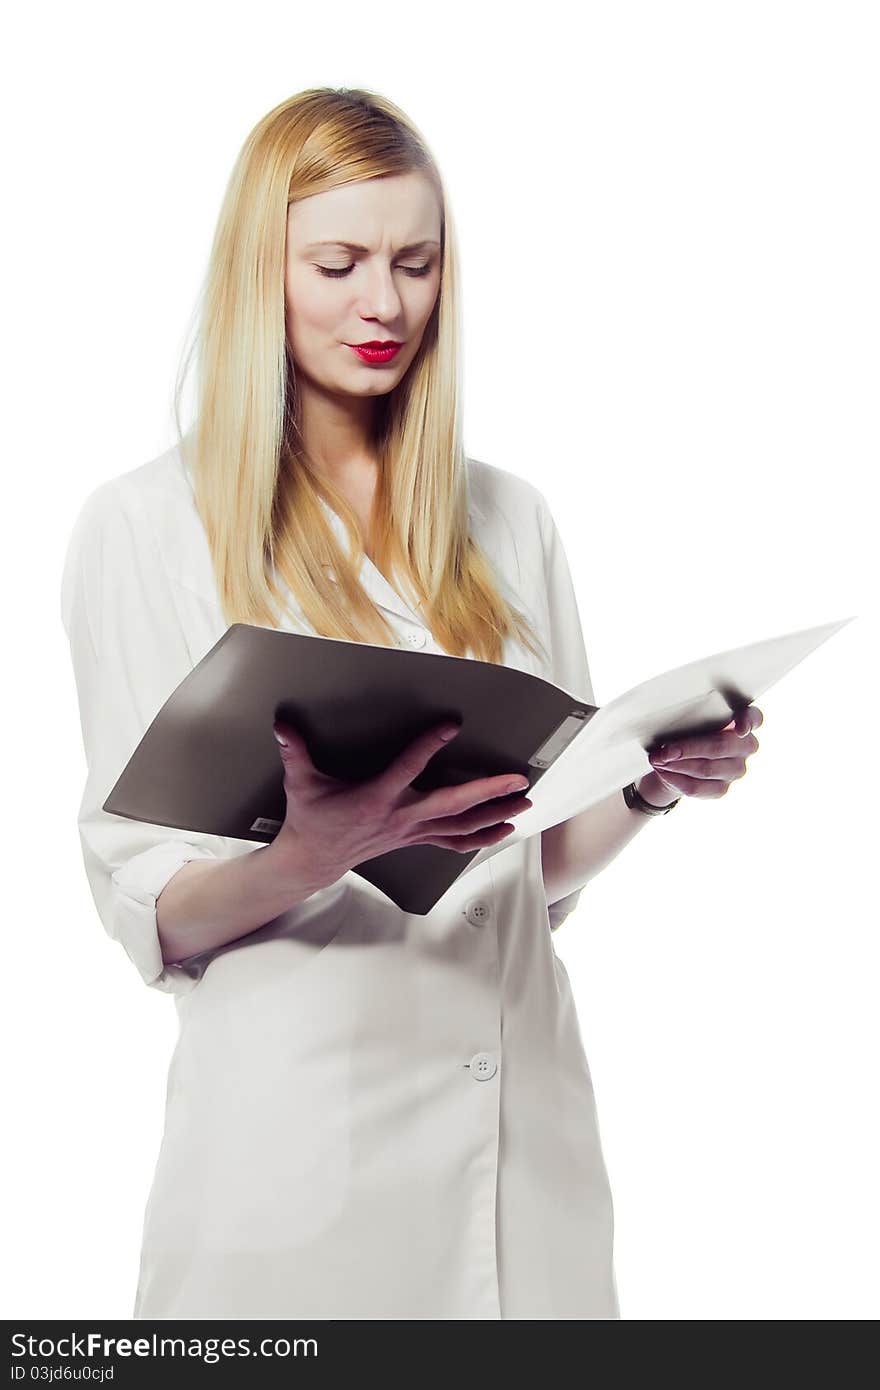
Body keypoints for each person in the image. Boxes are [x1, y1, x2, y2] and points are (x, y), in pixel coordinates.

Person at [60, 86, 762, 1321]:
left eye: (414, 263)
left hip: (524, 1147)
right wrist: (312, 853)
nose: (382, 304)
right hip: (295, 1160)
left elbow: (525, 866)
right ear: (257, 274)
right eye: (336, 263)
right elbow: (151, 911)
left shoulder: (508, 517)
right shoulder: (145, 525)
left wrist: (646, 781)